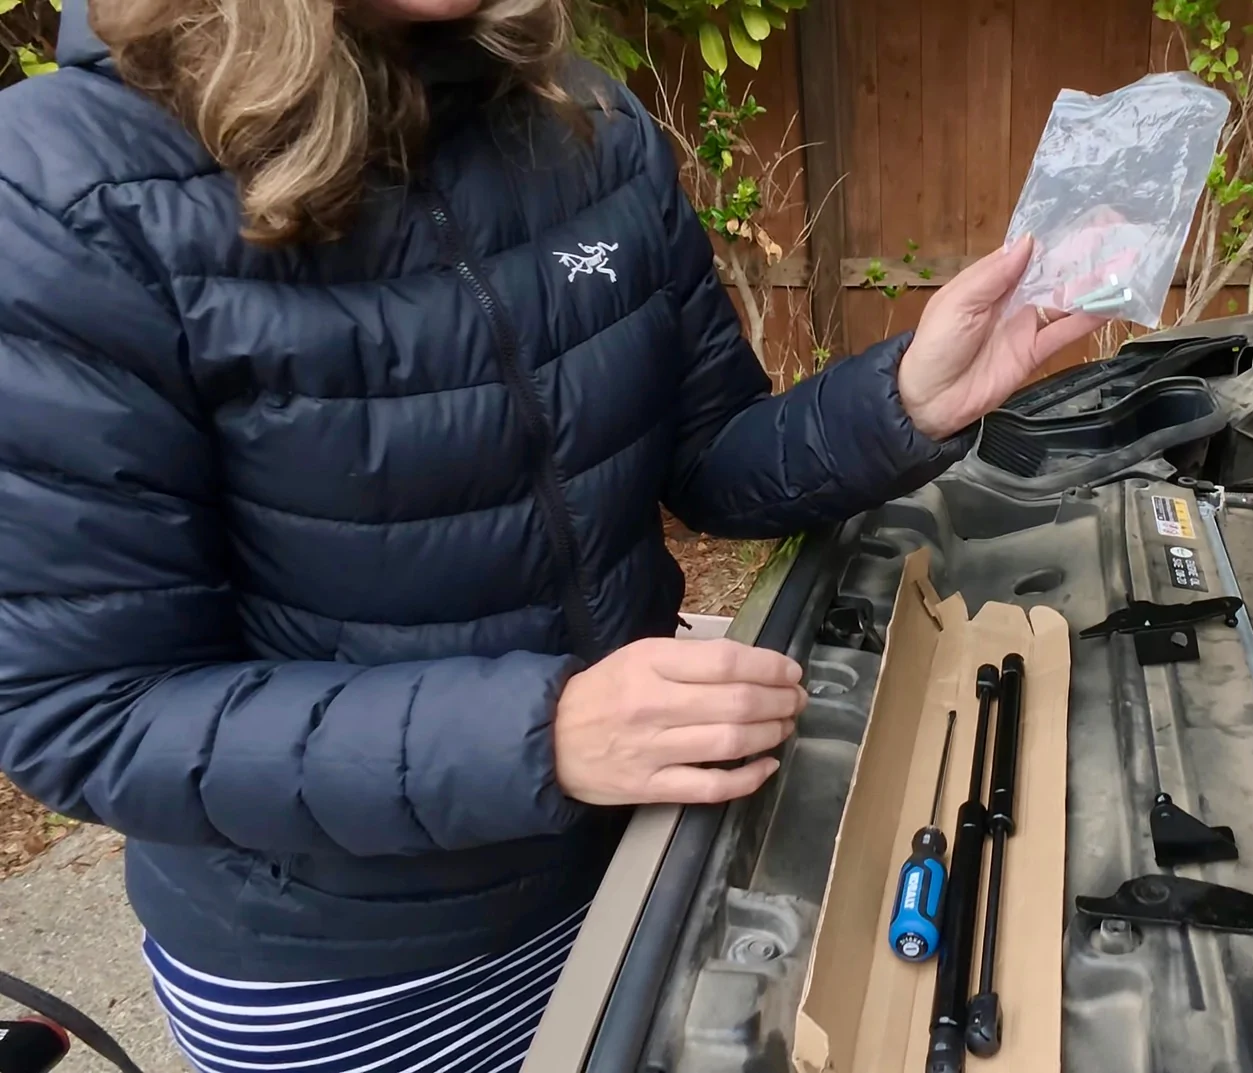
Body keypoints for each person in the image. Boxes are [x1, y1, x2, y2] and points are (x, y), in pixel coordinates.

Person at [0, 1, 1100, 1070]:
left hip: (641, 855)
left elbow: (710, 460)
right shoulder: (65, 189)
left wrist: (903, 399)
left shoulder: (582, 119)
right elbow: (89, 710)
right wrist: (542, 735)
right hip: (358, 974)